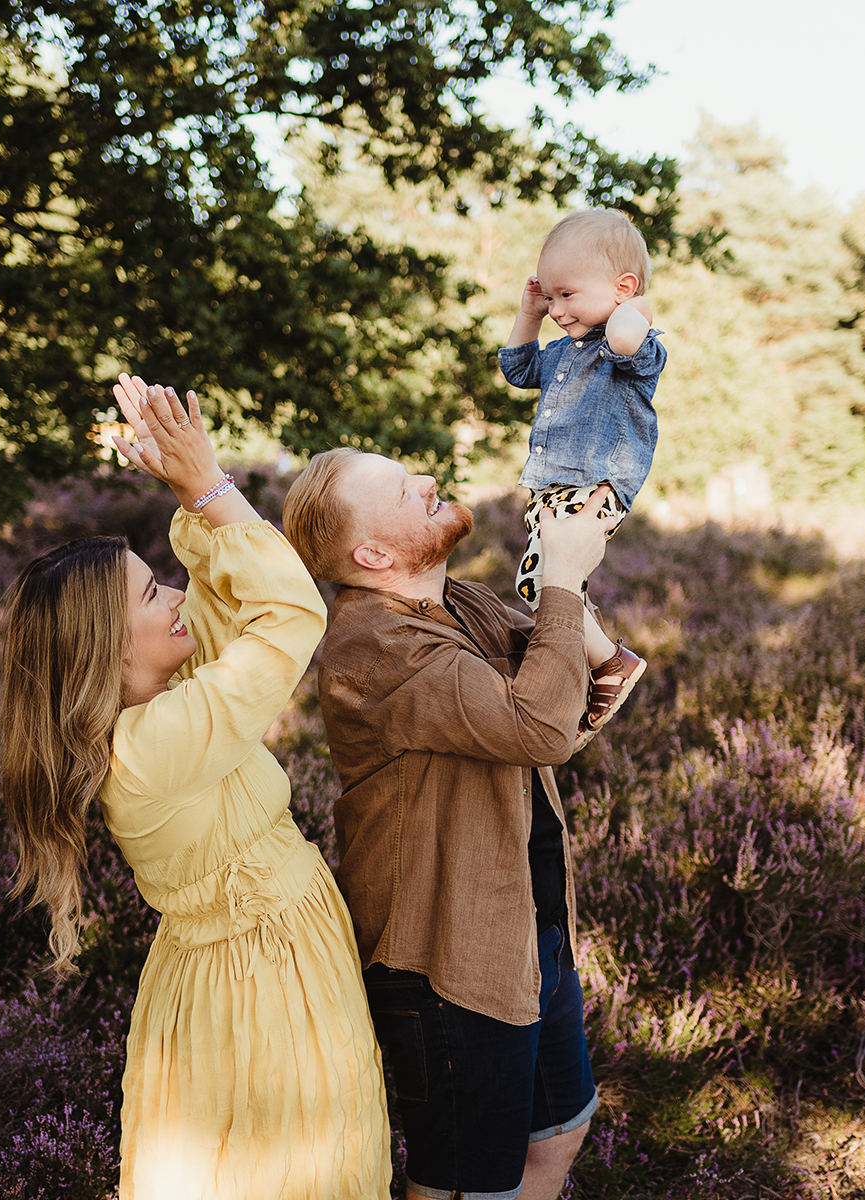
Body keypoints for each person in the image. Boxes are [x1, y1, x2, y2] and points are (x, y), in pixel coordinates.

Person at [0, 377, 389, 1199]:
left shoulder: (163, 705)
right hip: (258, 987)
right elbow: (287, 615)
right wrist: (209, 488)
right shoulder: (150, 750)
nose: (172, 594)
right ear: (107, 649)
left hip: (269, 958)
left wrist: (190, 490)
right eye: (150, 593)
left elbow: (225, 600)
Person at [282, 447, 618, 1200]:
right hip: (447, 955)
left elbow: (581, 692)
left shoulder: (458, 603)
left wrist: (568, 570)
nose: (428, 481)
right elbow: (540, 725)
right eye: (404, 491)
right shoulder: (373, 646)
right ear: (371, 552)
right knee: (460, 1182)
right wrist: (562, 586)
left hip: (529, 922)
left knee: (561, 1129)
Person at [501, 206, 668, 730]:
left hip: (593, 484)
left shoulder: (636, 347)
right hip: (552, 486)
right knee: (550, 586)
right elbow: (516, 367)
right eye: (549, 296)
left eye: (566, 295)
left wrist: (633, 304)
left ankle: (612, 665)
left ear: (622, 288)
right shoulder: (560, 352)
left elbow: (622, 338)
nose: (555, 309)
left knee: (541, 583)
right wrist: (529, 312)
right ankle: (592, 664)